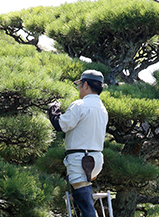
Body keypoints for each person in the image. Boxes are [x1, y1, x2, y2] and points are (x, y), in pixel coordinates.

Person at [48, 70, 108, 217]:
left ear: (86, 85)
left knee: (86, 207)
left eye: (80, 85)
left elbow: (60, 125)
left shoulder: (79, 105)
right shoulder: (102, 108)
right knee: (83, 204)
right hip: (96, 159)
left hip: (80, 160)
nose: (79, 89)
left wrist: (53, 109)